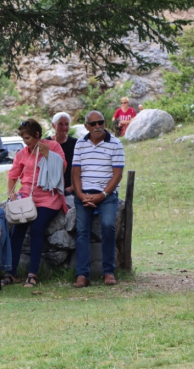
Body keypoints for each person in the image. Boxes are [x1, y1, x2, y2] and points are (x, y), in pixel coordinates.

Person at [2, 119, 67, 288]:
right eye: (24, 139)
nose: (26, 142)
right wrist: (12, 194)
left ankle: (33, 274)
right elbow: (13, 175)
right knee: (17, 230)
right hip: (26, 197)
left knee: (37, 228)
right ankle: (11, 272)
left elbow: (63, 167)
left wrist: (47, 154)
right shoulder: (23, 153)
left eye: (28, 138)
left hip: (48, 197)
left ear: (37, 135)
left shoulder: (53, 147)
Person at [72, 111, 125, 288]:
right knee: (81, 231)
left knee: (108, 225)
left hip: (106, 195)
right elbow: (76, 172)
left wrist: (102, 195)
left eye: (100, 122)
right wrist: (80, 195)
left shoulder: (115, 143)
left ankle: (108, 272)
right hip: (84, 194)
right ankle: (82, 275)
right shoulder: (80, 143)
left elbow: (117, 175)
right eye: (93, 124)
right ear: (86, 126)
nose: (97, 127)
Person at [46, 112, 77, 195]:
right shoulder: (45, 143)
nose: (64, 127)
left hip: (70, 189)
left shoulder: (75, 143)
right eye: (60, 124)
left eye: (67, 124)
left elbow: (80, 168)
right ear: (53, 125)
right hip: (49, 190)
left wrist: (71, 188)